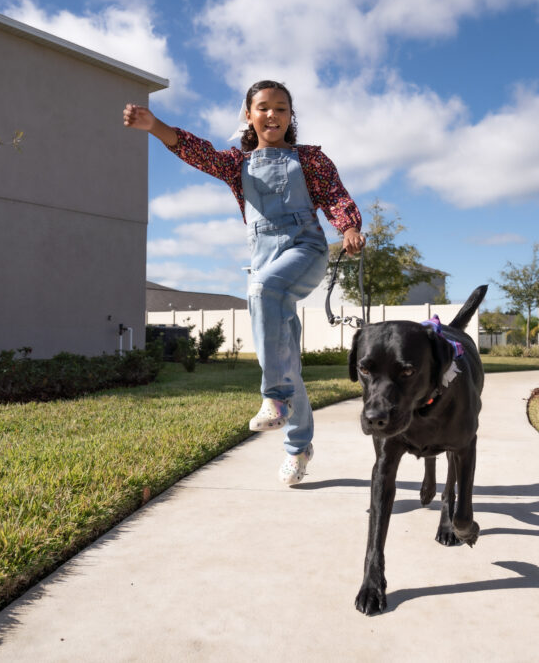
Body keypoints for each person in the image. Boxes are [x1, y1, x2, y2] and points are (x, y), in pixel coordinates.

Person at [123, 80, 365, 484]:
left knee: (260, 288)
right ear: (249, 117)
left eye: (282, 108)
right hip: (264, 256)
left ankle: (274, 398)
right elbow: (196, 151)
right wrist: (154, 126)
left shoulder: (310, 159)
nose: (273, 115)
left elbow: (337, 197)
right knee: (287, 358)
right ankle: (298, 447)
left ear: (291, 117)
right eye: (264, 108)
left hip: (305, 247)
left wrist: (351, 227)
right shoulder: (237, 164)